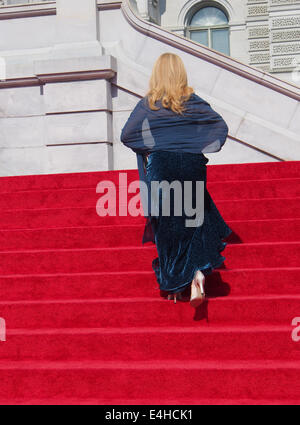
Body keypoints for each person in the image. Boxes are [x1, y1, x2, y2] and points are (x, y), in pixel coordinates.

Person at [121, 52, 232, 308]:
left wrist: (150, 147)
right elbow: (220, 127)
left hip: (164, 165)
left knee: (168, 227)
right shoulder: (193, 100)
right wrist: (194, 144)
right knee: (193, 220)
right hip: (192, 164)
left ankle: (175, 283)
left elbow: (127, 135)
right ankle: (196, 273)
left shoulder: (149, 103)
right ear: (181, 73)